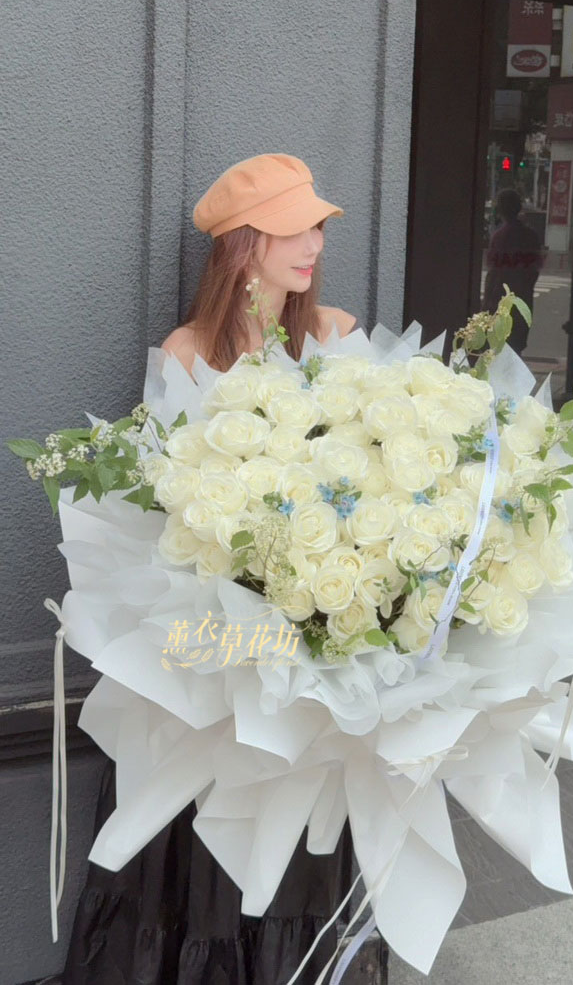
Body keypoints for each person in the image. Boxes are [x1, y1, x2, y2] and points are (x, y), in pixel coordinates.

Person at [61, 153, 379, 985]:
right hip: (215, 645)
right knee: (209, 812)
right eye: (294, 228)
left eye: (317, 227)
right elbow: (159, 502)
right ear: (243, 245)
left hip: (310, 640)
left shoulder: (336, 334)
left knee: (291, 815)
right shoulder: (189, 350)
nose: (314, 244)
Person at [482, 188, 544, 355]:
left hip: (499, 301)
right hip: (522, 299)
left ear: (500, 209)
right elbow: (535, 269)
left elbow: (493, 273)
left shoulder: (499, 237)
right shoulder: (531, 236)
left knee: (495, 349)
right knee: (515, 350)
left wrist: (486, 304)